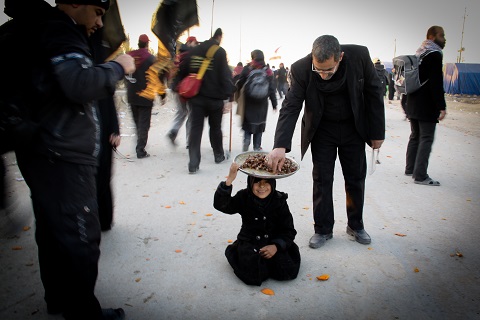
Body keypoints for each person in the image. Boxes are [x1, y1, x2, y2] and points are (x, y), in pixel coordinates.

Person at [10, 0, 135, 319]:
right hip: (63, 155)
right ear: (76, 3)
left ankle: (60, 300)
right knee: (81, 239)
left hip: (42, 150)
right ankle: (83, 313)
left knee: (52, 231)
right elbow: (78, 83)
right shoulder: (59, 30)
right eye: (97, 12)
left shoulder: (37, 27)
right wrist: (119, 66)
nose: (98, 22)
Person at [267, 35, 385, 248]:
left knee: (355, 177)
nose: (323, 75)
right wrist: (280, 145)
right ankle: (323, 229)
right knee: (322, 179)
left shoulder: (359, 56)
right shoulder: (301, 68)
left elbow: (374, 92)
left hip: (353, 128)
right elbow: (291, 106)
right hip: (322, 130)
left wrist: (377, 133)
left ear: (340, 57)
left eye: (328, 70)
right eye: (318, 70)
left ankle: (355, 225)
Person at [213, 162, 301, 286]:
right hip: (250, 241)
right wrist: (229, 180)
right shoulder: (244, 197)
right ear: (250, 182)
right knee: (253, 272)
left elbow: (289, 230)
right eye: (257, 181)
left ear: (273, 182)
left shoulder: (279, 200)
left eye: (266, 182)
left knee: (286, 270)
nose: (262, 186)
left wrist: (276, 246)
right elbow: (221, 205)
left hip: (274, 240)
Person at [173, 28, 235, 174]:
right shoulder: (219, 52)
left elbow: (182, 72)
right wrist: (230, 96)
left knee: (195, 129)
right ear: (219, 37)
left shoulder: (193, 51)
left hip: (196, 99)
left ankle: (193, 163)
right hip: (215, 99)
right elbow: (224, 75)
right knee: (215, 128)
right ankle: (218, 155)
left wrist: (178, 89)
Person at [405, 26, 447, 186]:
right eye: (442, 35)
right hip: (426, 105)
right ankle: (420, 175)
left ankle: (410, 169)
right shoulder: (434, 54)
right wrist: (441, 106)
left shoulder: (419, 52)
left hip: (413, 102)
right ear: (432, 36)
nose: (444, 39)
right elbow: (436, 83)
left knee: (415, 136)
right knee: (426, 138)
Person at [235, 49, 277, 151]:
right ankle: (257, 147)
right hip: (262, 104)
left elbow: (239, 83)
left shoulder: (248, 69)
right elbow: (272, 88)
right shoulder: (267, 71)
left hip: (248, 102)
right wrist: (274, 103)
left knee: (247, 126)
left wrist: (234, 94)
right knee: (259, 127)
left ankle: (246, 143)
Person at [127, 34, 156, 159]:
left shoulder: (129, 56)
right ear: (147, 44)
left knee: (137, 122)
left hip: (132, 95)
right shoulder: (150, 59)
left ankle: (139, 144)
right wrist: (162, 94)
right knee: (144, 124)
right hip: (145, 96)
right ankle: (140, 149)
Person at [166, 36, 199, 148]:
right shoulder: (191, 56)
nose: (196, 45)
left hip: (175, 88)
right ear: (189, 42)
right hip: (187, 89)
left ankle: (174, 130)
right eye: (195, 43)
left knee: (181, 112)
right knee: (191, 114)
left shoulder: (178, 55)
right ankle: (189, 141)